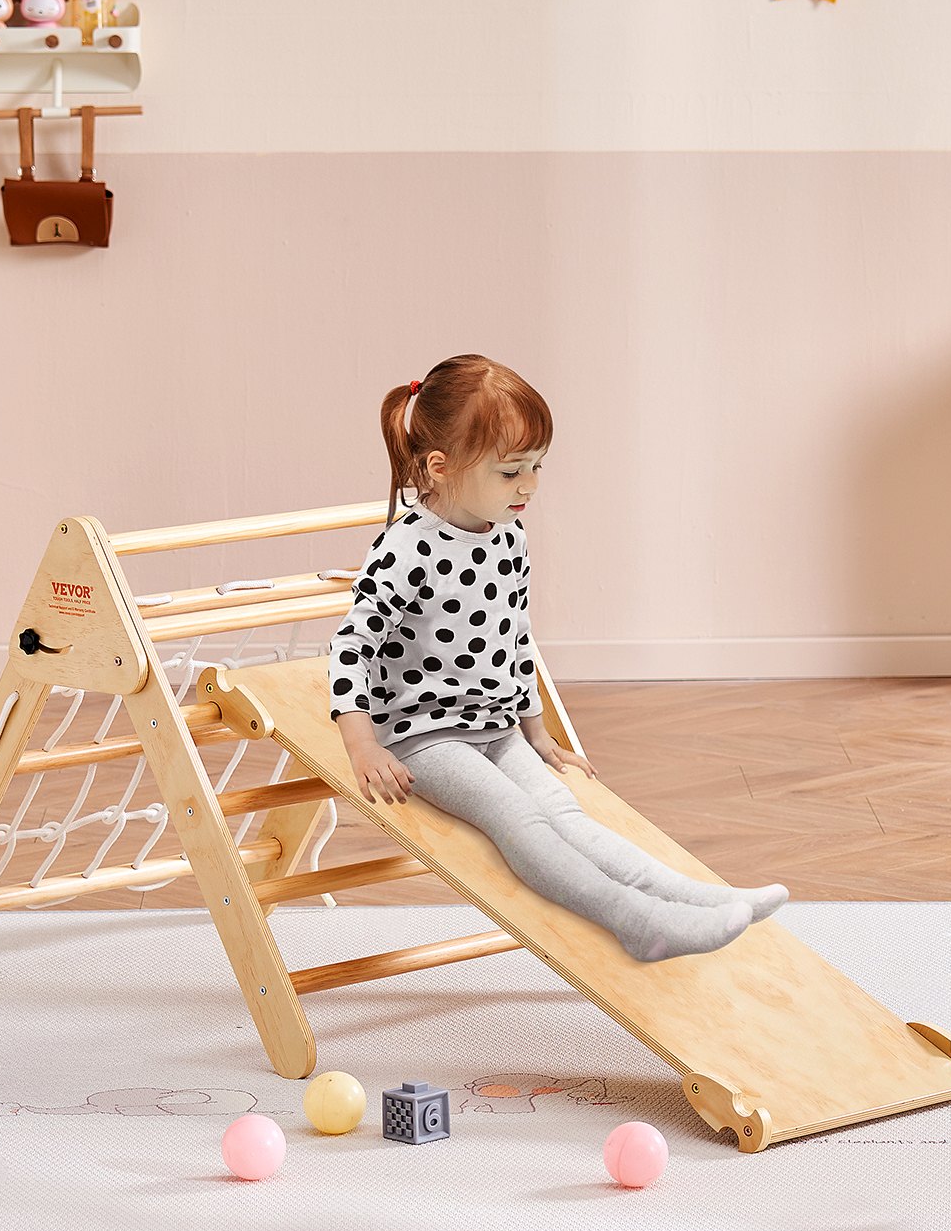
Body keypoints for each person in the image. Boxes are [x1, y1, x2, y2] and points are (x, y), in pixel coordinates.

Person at [327, 354, 789, 964]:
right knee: (520, 820)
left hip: (495, 727)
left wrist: (537, 731)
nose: (530, 486)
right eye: (511, 470)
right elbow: (349, 645)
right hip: (425, 738)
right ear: (440, 469)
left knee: (565, 813)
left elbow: (514, 639)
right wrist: (363, 746)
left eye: (537, 467)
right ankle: (639, 924)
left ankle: (697, 900)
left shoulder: (508, 538)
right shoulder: (404, 549)